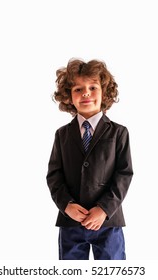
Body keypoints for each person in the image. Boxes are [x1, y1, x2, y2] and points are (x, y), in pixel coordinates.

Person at [46, 58, 133, 260]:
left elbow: (124, 174)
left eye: (93, 87)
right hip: (71, 222)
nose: (85, 93)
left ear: (105, 93)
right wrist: (66, 205)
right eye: (78, 89)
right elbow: (54, 175)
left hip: (107, 222)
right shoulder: (62, 135)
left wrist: (103, 209)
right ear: (68, 96)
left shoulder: (119, 133)